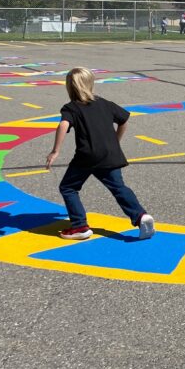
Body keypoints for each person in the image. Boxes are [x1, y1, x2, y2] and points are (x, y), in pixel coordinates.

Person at [44, 67, 155, 241]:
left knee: (68, 187)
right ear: (90, 84)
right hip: (110, 154)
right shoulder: (105, 103)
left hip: (87, 156)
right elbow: (125, 119)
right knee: (119, 188)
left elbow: (63, 125)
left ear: (70, 87)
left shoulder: (71, 108)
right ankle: (141, 216)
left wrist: (55, 151)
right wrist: (115, 141)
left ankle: (80, 226)